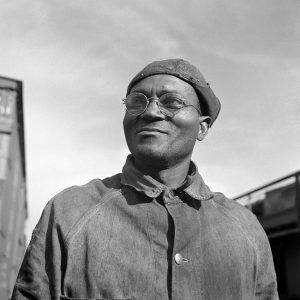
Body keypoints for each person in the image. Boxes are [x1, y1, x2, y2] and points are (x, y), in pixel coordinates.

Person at [12, 59, 278, 300]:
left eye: (172, 102)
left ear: (202, 126)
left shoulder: (246, 229)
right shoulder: (69, 213)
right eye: (137, 102)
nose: (150, 112)